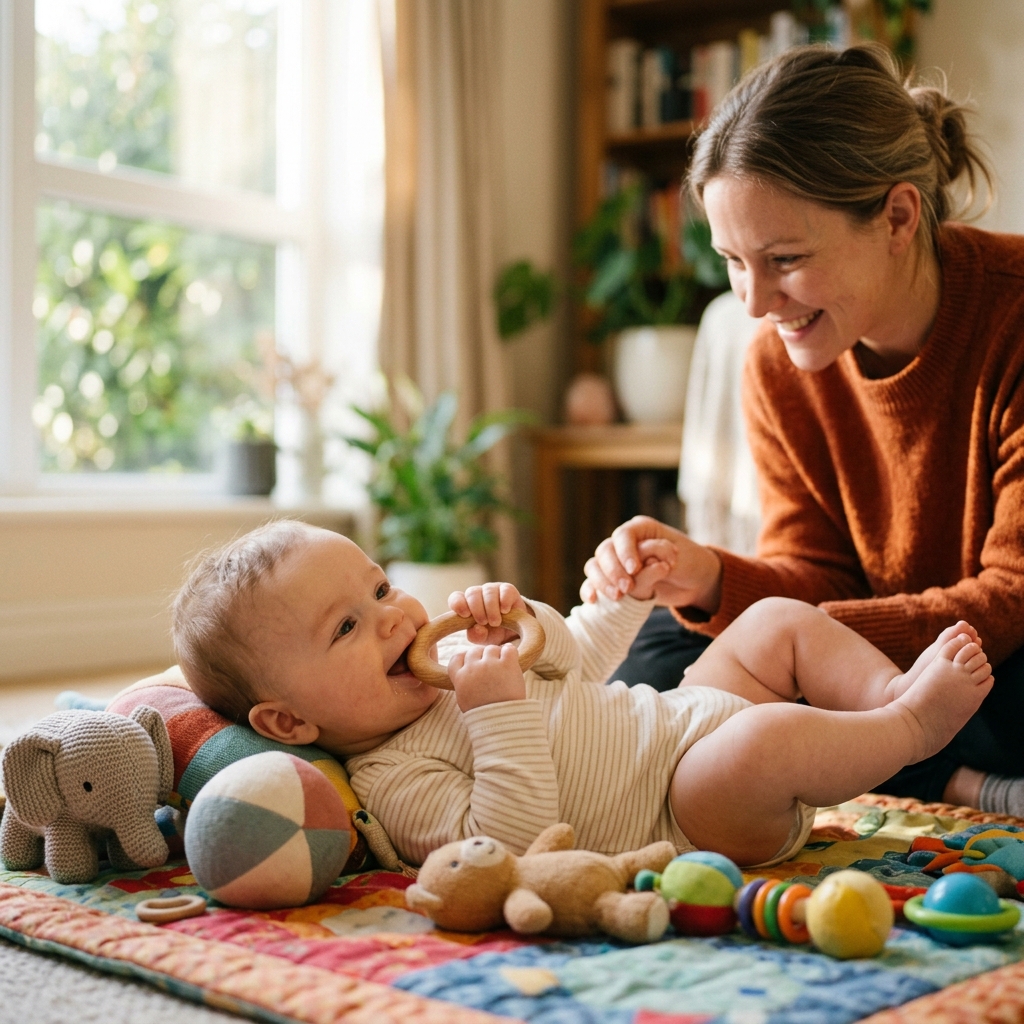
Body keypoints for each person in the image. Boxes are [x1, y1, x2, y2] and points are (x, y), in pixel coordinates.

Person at [589, 43, 1024, 816]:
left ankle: (902, 763)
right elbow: (819, 571)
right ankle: (933, 770)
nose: (754, 303)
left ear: (897, 216)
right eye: (732, 261)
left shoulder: (1013, 317)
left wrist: (789, 647)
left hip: (1000, 651)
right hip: (883, 666)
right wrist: (713, 581)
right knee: (649, 657)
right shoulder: (775, 364)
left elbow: (1011, 600)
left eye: (784, 259)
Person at [171, 521, 991, 868]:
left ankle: (893, 684)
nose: (393, 623)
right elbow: (518, 846)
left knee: (773, 620)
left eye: (381, 590)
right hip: (691, 805)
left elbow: (589, 664)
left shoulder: (453, 656)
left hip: (676, 713)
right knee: (757, 744)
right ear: (290, 720)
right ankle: (912, 727)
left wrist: (617, 595)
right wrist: (496, 712)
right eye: (346, 629)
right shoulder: (392, 783)